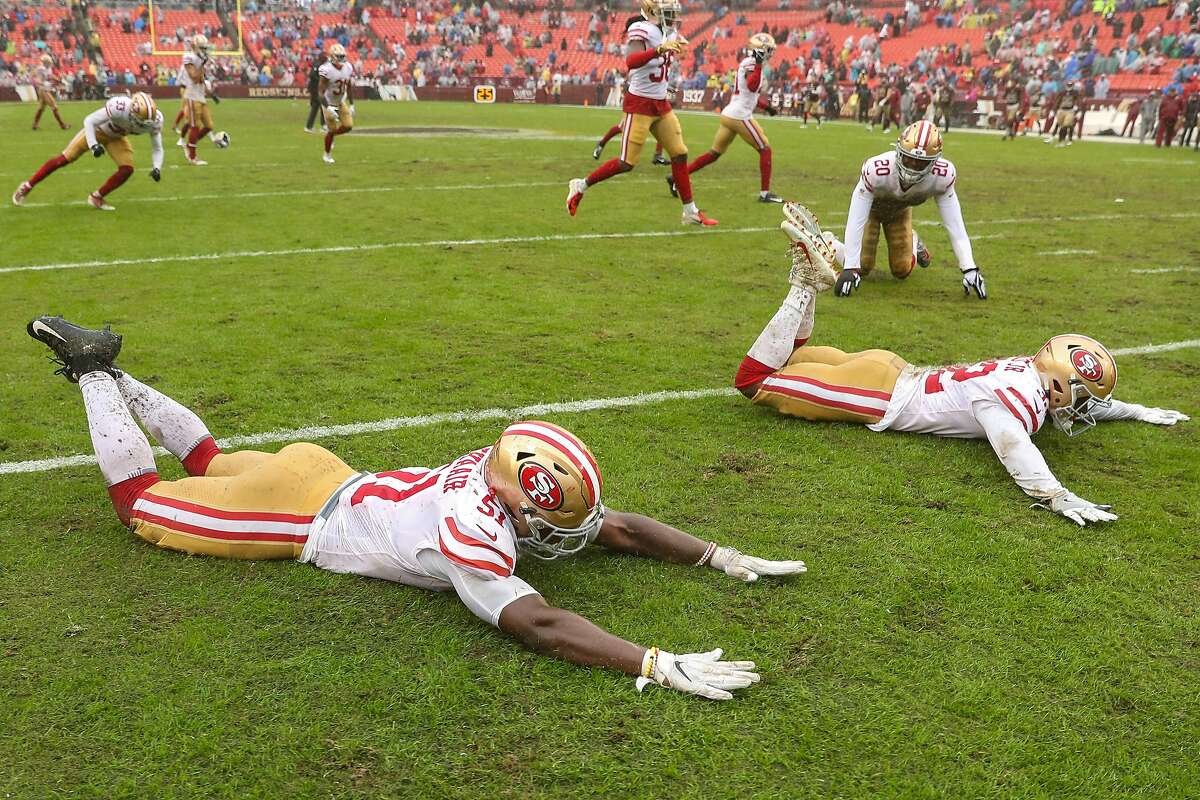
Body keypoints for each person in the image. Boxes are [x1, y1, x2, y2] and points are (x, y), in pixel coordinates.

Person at [25, 316, 809, 701]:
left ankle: (116, 376)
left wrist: (720, 556)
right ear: (518, 501)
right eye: (547, 524)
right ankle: (95, 373)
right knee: (142, 505)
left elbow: (622, 527)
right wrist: (652, 663)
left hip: (319, 471)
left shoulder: (495, 473)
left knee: (207, 459)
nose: (556, 536)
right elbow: (537, 624)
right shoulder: (475, 529)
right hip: (302, 515)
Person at [732, 210, 1188, 523]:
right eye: (1082, 396)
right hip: (880, 395)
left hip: (889, 369)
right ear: (1060, 384)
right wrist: (1055, 494)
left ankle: (810, 282)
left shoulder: (1027, 371)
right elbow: (1013, 446)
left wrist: (1137, 410)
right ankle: (804, 281)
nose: (1083, 408)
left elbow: (1063, 408)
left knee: (789, 358)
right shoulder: (1018, 403)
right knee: (754, 380)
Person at [567, 0, 718, 226]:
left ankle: (690, 211)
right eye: (668, 13)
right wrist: (658, 49)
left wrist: (681, 48)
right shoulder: (642, 30)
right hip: (639, 104)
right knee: (626, 163)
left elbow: (675, 54)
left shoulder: (668, 32)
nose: (673, 17)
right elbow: (631, 61)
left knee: (679, 154)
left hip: (660, 103)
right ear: (652, 12)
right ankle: (581, 185)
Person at [833, 121, 986, 299]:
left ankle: (913, 240)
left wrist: (969, 267)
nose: (912, 167)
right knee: (864, 265)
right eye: (908, 159)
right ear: (899, 151)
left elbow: (955, 225)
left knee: (901, 269)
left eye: (920, 163)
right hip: (871, 211)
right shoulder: (876, 170)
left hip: (899, 213)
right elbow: (856, 218)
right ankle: (829, 243)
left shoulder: (942, 177)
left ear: (934, 162)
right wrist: (850, 267)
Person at [667, 33, 783, 204]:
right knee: (765, 149)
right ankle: (765, 194)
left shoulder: (749, 63)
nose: (770, 53)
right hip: (739, 115)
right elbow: (751, 86)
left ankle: (676, 177)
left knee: (713, 154)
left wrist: (767, 108)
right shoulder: (752, 63)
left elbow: (749, 94)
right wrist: (758, 64)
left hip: (731, 113)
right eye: (768, 50)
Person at [12, 92, 163, 211]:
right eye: (138, 119)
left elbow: (157, 147)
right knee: (65, 158)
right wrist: (93, 145)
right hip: (97, 131)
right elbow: (90, 120)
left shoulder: (153, 120)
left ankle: (97, 197)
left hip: (116, 137)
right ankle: (27, 186)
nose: (140, 124)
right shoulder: (120, 106)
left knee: (127, 170)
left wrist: (157, 167)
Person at [181, 34, 222, 165]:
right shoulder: (189, 57)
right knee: (195, 126)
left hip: (200, 95)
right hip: (192, 95)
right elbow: (194, 77)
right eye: (202, 48)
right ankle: (192, 157)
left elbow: (202, 79)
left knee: (209, 126)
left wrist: (211, 94)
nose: (205, 51)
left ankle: (190, 145)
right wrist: (202, 63)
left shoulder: (199, 59)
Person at [319, 44, 355, 164]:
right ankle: (327, 155)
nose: (341, 59)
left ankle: (331, 136)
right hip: (328, 103)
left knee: (348, 126)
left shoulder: (348, 67)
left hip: (340, 102)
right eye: (338, 57)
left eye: (342, 56)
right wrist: (328, 108)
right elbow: (320, 93)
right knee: (332, 128)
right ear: (332, 57)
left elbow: (348, 86)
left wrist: (352, 104)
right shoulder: (326, 69)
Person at [32, 54, 69, 131]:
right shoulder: (40, 69)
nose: (50, 63)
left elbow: (50, 76)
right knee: (54, 107)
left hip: (45, 90)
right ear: (45, 62)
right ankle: (62, 125)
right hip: (43, 90)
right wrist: (44, 83)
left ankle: (35, 125)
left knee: (41, 109)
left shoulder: (47, 68)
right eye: (49, 62)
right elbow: (37, 80)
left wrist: (59, 80)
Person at [1046, 80, 1080, 147]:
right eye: (1068, 85)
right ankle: (1058, 140)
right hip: (1062, 110)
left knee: (1065, 125)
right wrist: (1053, 110)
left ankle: (1062, 141)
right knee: (1059, 125)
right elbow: (1058, 101)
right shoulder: (1062, 92)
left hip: (1070, 110)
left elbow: (1078, 100)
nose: (1069, 86)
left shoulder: (1075, 92)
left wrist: (1078, 109)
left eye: (1070, 85)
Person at [304, 53, 327, 133]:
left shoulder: (320, 64)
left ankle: (309, 126)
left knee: (315, 107)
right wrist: (320, 81)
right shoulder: (317, 65)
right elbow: (312, 75)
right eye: (325, 57)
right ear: (322, 58)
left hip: (316, 89)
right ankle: (323, 126)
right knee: (323, 106)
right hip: (315, 89)